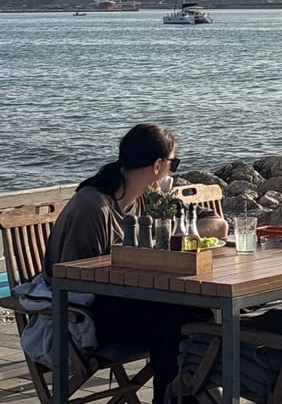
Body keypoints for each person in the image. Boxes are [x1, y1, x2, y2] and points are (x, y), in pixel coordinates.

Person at [43, 122, 208, 404]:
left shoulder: (146, 199)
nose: (172, 170)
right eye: (174, 163)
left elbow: (211, 222)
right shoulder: (93, 206)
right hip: (87, 314)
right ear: (158, 165)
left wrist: (182, 233)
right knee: (179, 323)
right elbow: (70, 278)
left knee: (201, 317)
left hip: (129, 299)